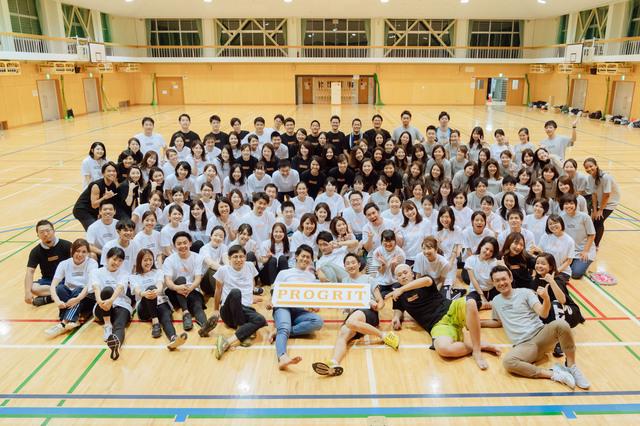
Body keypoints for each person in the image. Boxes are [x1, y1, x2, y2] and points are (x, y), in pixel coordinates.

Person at [484, 265, 590, 389]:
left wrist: (546, 298)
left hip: (541, 334)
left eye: (504, 279)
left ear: (510, 278)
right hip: (525, 345)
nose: (501, 283)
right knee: (508, 362)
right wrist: (476, 323)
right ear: (493, 283)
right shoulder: (496, 301)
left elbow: (543, 313)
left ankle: (571, 366)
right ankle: (554, 374)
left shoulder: (525, 293)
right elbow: (498, 322)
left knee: (561, 324)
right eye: (497, 280)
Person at [388, 264, 500, 370]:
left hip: (451, 309)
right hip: (437, 325)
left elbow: (427, 280)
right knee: (444, 349)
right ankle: (480, 345)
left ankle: (477, 351)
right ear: (397, 279)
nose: (403, 276)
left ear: (412, 274)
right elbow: (398, 309)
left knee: (470, 302)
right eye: (399, 275)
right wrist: (396, 317)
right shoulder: (398, 294)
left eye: (405, 272)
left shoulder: (422, 281)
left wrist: (402, 289)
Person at [313, 253, 399, 377]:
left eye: (353, 262)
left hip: (368, 312)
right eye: (347, 264)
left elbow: (381, 302)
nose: (351, 265)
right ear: (344, 267)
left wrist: (376, 306)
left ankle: (385, 336)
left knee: (350, 322)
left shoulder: (369, 279)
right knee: (343, 334)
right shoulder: (345, 281)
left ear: (359, 264)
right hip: (353, 315)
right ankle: (334, 363)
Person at [268, 245, 324, 370]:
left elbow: (311, 297)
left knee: (318, 322)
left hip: (299, 311)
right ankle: (282, 357)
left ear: (311, 260)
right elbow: (274, 290)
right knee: (284, 327)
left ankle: (281, 331)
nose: (305, 259)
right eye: (303, 256)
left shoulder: (311, 277)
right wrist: (271, 301)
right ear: (297, 257)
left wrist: (313, 306)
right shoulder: (284, 273)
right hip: (283, 307)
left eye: (308, 257)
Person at [212, 245, 268, 360]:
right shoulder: (223, 270)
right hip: (228, 311)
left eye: (241, 256)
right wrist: (216, 309)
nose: (239, 259)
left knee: (261, 320)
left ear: (245, 257)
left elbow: (251, 282)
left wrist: (251, 296)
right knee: (235, 292)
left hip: (244, 309)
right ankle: (243, 332)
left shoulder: (250, 266)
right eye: (235, 257)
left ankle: (227, 341)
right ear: (229, 258)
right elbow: (218, 290)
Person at [132, 249, 189, 350]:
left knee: (166, 318)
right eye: (145, 260)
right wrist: (144, 293)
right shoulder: (134, 277)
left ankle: (173, 338)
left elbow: (159, 284)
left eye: (150, 259)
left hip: (160, 302)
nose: (148, 262)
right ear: (139, 261)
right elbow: (137, 290)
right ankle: (155, 322)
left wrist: (157, 290)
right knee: (151, 289)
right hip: (144, 308)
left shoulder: (158, 272)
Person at [163, 232, 216, 337]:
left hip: (191, 289)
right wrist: (177, 287)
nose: (182, 246)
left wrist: (190, 288)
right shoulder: (169, 260)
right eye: (179, 244)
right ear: (174, 246)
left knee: (197, 306)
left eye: (185, 243)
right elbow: (168, 280)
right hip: (174, 292)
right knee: (181, 279)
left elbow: (198, 278)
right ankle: (185, 313)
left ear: (190, 243)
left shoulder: (197, 258)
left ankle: (205, 326)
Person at [44, 239, 97, 336]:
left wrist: (77, 299)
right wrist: (57, 301)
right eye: (77, 251)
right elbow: (53, 286)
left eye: (84, 252)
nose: (80, 254)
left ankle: (63, 323)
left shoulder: (92, 263)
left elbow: (89, 285)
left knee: (78, 289)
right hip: (70, 299)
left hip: (86, 297)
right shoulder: (64, 264)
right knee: (60, 288)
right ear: (72, 250)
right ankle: (74, 319)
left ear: (88, 253)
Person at [91, 247, 132, 361]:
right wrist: (100, 301)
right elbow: (96, 287)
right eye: (114, 259)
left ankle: (116, 345)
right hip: (102, 307)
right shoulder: (96, 272)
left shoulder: (124, 273)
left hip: (121, 305)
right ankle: (107, 325)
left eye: (120, 261)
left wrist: (111, 300)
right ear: (107, 258)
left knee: (120, 325)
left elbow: (120, 287)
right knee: (107, 290)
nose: (116, 263)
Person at [24, 220, 72, 306]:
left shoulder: (66, 245)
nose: (45, 234)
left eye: (48, 231)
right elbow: (30, 272)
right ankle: (61, 292)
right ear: (38, 235)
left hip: (66, 279)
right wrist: (27, 292)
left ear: (53, 231)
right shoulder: (35, 251)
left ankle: (49, 298)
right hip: (48, 281)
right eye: (42, 232)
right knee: (33, 288)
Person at [584, 157, 620, 248]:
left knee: (598, 221)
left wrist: (600, 210)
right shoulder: (590, 178)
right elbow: (594, 195)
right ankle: (591, 242)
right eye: (586, 167)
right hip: (600, 202)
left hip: (610, 203)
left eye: (591, 166)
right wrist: (595, 210)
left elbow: (607, 195)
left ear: (596, 165)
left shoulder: (605, 177)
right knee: (593, 220)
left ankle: (596, 245)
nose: (589, 169)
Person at [73, 161, 118, 230]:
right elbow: (94, 205)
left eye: (114, 171)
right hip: (82, 210)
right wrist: (104, 197)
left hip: (93, 211)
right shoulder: (96, 186)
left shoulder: (113, 186)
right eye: (109, 171)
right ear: (103, 173)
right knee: (94, 229)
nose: (112, 173)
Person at [559, 194, 595, 279]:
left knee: (576, 273)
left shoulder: (584, 217)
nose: (569, 206)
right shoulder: (561, 217)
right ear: (562, 205)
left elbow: (591, 235)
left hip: (583, 250)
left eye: (571, 203)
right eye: (566, 204)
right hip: (569, 250)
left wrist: (585, 251)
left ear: (575, 204)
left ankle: (583, 264)